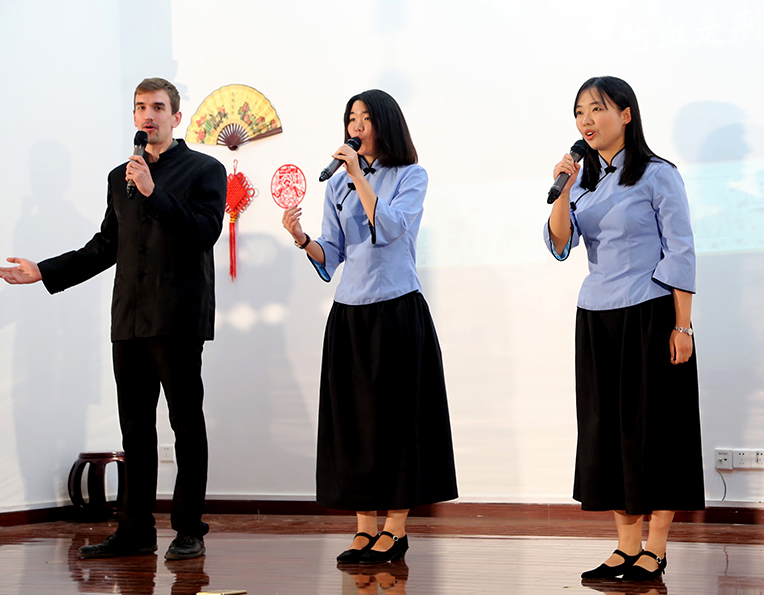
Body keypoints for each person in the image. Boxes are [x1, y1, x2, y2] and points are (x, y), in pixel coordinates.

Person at [1, 78, 226, 560]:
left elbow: (204, 232)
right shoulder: (118, 177)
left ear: (176, 117)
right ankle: (135, 530)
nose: (149, 115)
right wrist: (44, 271)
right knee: (135, 429)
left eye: (158, 107)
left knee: (186, 425)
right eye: (141, 107)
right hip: (129, 318)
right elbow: (106, 246)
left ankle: (189, 529)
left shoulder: (205, 170)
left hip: (177, 317)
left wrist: (153, 192)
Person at [281, 89, 457, 564]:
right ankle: (364, 528)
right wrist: (302, 239)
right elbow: (332, 253)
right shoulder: (336, 184)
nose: (355, 126)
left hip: (397, 308)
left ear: (385, 124)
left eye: (364, 118)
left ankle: (395, 529)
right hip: (350, 313)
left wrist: (360, 177)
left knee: (396, 422)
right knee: (354, 423)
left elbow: (393, 228)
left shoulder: (410, 175)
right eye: (350, 118)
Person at [545, 76, 704, 583]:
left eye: (597, 109)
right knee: (607, 432)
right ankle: (625, 546)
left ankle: (655, 548)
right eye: (579, 112)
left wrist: (683, 326)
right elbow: (560, 244)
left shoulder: (658, 175)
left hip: (650, 314)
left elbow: (680, 250)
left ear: (626, 114)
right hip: (597, 317)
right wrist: (563, 190)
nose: (586, 120)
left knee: (655, 432)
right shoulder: (583, 182)